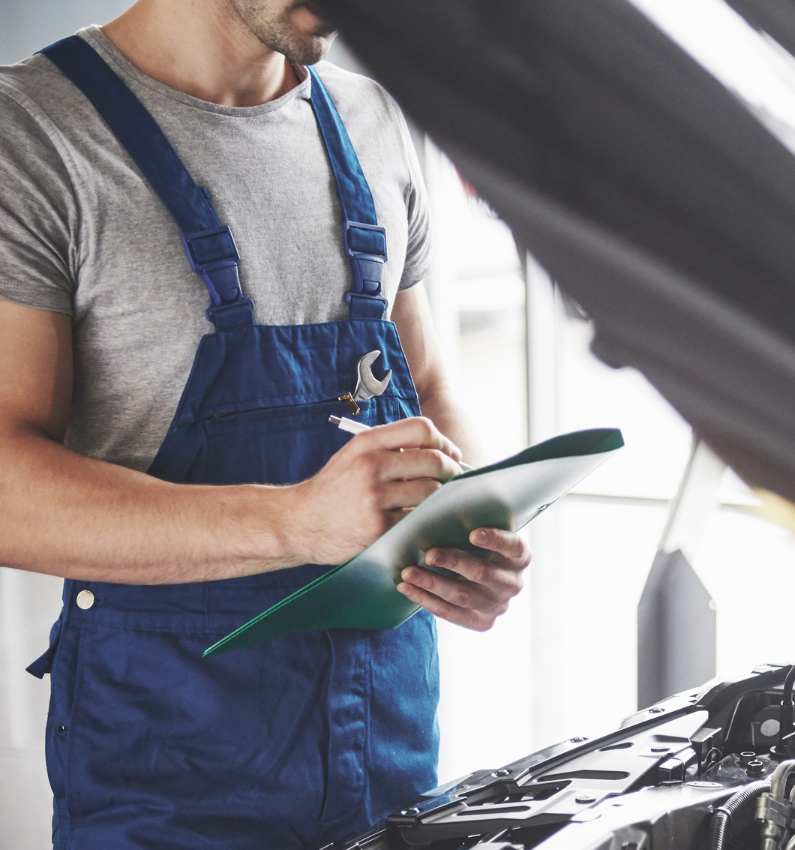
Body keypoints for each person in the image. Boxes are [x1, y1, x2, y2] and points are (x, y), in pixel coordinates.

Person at [0, 0, 531, 847]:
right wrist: (293, 522)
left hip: (389, 758)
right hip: (168, 780)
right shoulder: (29, 134)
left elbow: (424, 382)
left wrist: (471, 524)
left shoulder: (373, 120)